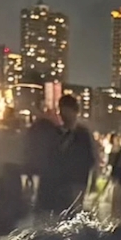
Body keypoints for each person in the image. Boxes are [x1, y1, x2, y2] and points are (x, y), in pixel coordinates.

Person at [33, 93, 96, 221]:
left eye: (65, 110)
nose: (62, 114)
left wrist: (80, 186)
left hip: (72, 186)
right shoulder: (55, 133)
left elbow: (88, 161)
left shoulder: (82, 135)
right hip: (53, 187)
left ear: (75, 112)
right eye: (61, 110)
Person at [0, 107, 28, 240]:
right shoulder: (17, 136)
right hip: (12, 171)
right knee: (11, 204)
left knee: (4, 205)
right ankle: (8, 234)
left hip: (6, 171)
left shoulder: (0, 134)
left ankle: (1, 235)